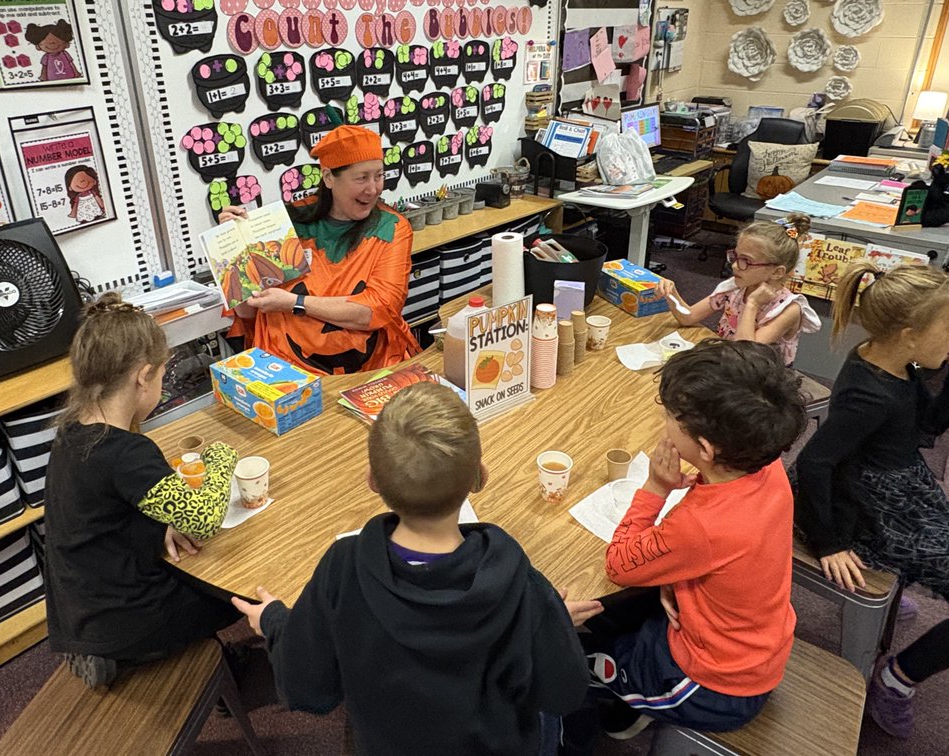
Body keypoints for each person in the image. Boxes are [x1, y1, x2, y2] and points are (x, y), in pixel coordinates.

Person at [231, 383, 589, 756]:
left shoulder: (343, 567)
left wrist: (273, 622)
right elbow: (564, 690)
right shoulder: (518, 581)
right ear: (479, 476)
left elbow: (308, 688)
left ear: (372, 480)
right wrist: (551, 621)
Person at [794, 264, 949, 738]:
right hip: (865, 506)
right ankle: (895, 681)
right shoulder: (871, 394)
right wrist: (829, 542)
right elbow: (815, 463)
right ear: (910, 334)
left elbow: (927, 427)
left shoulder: (893, 360)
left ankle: (897, 597)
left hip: (892, 487)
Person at [559, 340, 804, 753]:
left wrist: (655, 488)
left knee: (560, 662)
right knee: (620, 612)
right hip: (749, 643)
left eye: (671, 417)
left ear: (706, 449)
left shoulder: (702, 526)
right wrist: (674, 579)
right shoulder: (768, 466)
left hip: (708, 685)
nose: (665, 422)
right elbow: (725, 557)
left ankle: (605, 717)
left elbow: (619, 565)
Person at [45, 292, 239, 688]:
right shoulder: (125, 453)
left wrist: (157, 531)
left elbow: (101, 519)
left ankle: (111, 650)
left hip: (79, 605)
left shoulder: (74, 430)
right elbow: (203, 518)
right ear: (143, 376)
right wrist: (221, 456)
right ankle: (145, 657)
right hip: (126, 618)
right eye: (164, 374)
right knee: (239, 593)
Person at [220, 124, 420, 375]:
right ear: (328, 178)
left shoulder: (392, 228)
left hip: (371, 368)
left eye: (379, 176)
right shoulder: (284, 224)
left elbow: (380, 308)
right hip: (286, 370)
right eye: (361, 178)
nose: (373, 189)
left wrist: (296, 303)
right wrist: (233, 244)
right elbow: (247, 311)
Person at [657, 213, 820, 366]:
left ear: (777, 272)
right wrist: (670, 294)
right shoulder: (735, 286)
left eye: (746, 261)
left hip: (759, 380)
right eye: (735, 256)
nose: (735, 265)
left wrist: (752, 304)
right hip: (728, 363)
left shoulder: (789, 310)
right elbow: (689, 317)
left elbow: (745, 356)